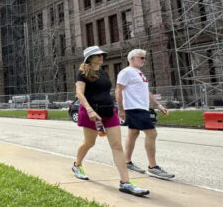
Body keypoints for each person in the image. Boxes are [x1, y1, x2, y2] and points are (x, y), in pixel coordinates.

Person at [72, 46, 150, 196]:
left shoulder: (103, 72)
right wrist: (89, 109)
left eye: (102, 54)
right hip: (92, 113)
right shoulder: (83, 73)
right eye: (97, 55)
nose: (101, 57)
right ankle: (77, 165)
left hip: (108, 111)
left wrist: (119, 109)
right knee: (89, 142)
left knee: (117, 146)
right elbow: (79, 93)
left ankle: (125, 182)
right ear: (90, 58)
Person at [116, 49, 174, 179]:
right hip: (134, 107)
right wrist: (120, 109)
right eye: (141, 58)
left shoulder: (139, 73)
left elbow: (146, 92)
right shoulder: (126, 72)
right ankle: (153, 167)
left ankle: (126, 161)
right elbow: (118, 90)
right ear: (132, 59)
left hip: (142, 107)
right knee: (152, 133)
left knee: (133, 133)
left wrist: (158, 105)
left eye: (144, 58)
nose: (144, 60)